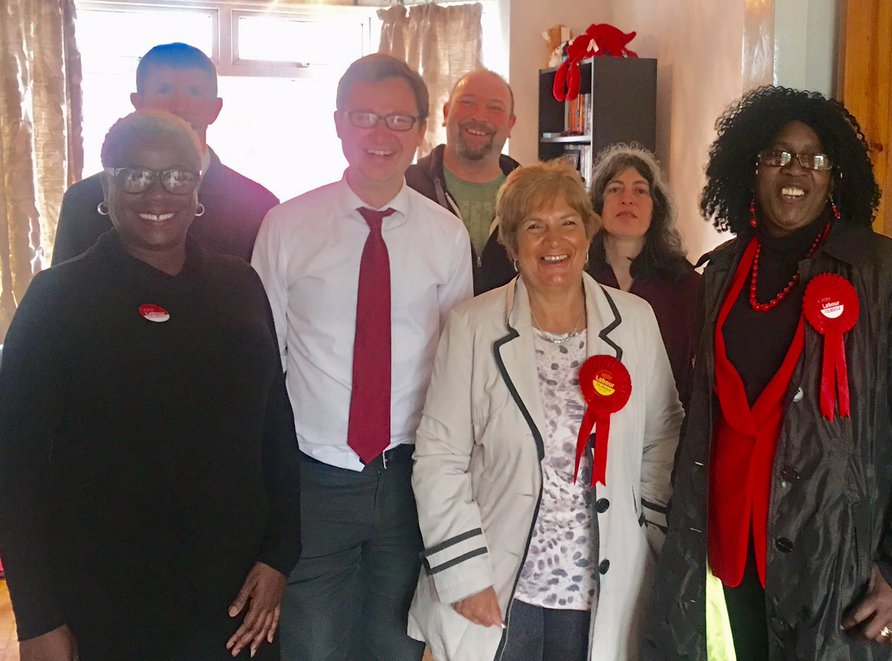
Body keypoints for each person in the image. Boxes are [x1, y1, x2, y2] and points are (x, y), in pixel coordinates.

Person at [645, 87, 892, 660]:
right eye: (777, 155)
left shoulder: (889, 274)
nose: (796, 170)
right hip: (734, 550)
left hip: (839, 560)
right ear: (752, 168)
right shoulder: (720, 271)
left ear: (835, 176)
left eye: (815, 158)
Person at [0, 109, 300, 660]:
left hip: (232, 594)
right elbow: (14, 468)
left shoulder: (239, 285)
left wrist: (280, 555)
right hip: (103, 596)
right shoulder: (57, 299)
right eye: (134, 174)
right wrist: (37, 618)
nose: (157, 192)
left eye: (177, 176)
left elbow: (275, 428)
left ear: (198, 187)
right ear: (105, 187)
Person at [408, 159, 683, 661]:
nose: (554, 240)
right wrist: (463, 575)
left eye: (568, 223)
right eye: (534, 226)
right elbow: (439, 456)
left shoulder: (635, 321)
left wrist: (652, 537)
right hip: (499, 588)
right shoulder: (472, 326)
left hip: (606, 587)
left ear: (588, 234)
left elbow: (661, 436)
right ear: (513, 245)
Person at [251, 54, 473, 660]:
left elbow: (458, 365)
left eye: (399, 119)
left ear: (421, 130)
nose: (381, 134)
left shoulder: (446, 236)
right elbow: (264, 360)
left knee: (394, 646)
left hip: (410, 478)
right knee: (313, 645)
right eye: (364, 116)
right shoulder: (287, 226)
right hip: (313, 478)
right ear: (338, 123)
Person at [53, 42, 277, 264]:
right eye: (164, 90)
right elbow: (64, 285)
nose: (179, 106)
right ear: (138, 104)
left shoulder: (258, 207)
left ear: (215, 109)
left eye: (194, 92)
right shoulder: (84, 200)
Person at [586, 143, 701, 399]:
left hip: (666, 418)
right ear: (598, 205)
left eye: (640, 190)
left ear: (655, 208)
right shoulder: (578, 279)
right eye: (615, 189)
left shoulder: (686, 285)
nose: (627, 199)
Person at [406, 69, 519, 293]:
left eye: (495, 108)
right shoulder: (406, 186)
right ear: (446, 113)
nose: (479, 117)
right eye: (467, 103)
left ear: (510, 124)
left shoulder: (532, 196)